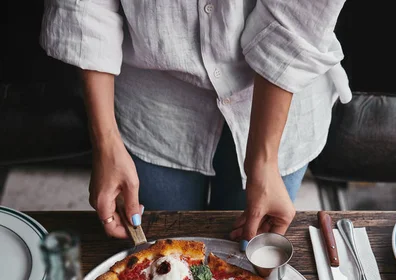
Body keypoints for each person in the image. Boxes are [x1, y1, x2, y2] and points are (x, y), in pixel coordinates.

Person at [40, 1, 351, 247]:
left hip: (279, 95)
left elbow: (294, 23)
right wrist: (106, 143)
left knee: (248, 255)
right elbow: (86, 10)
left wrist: (265, 162)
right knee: (158, 257)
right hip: (154, 104)